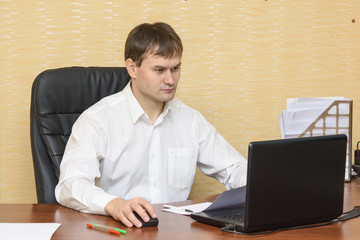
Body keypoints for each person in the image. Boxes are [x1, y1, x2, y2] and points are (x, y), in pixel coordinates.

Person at [55, 22, 247, 228]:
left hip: (173, 231)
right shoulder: (97, 120)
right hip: (118, 230)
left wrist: (265, 187)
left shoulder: (190, 120)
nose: (170, 79)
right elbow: (70, 185)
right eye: (159, 70)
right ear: (132, 68)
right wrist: (113, 204)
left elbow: (234, 168)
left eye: (176, 68)